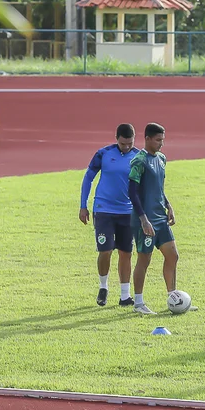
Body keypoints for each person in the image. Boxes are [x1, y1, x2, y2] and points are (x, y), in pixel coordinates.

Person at [80, 123, 138, 306]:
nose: (126, 147)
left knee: (126, 253)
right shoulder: (103, 154)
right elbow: (89, 177)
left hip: (127, 212)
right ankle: (103, 286)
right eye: (123, 144)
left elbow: (147, 185)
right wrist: (83, 205)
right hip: (103, 209)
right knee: (105, 251)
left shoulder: (138, 157)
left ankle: (124, 296)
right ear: (116, 139)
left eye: (129, 143)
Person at [128, 123, 181, 315]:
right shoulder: (139, 161)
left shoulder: (161, 159)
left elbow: (158, 188)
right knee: (144, 259)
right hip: (146, 220)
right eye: (158, 140)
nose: (161, 144)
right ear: (147, 139)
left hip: (160, 217)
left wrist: (168, 205)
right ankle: (138, 303)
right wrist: (143, 218)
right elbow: (132, 192)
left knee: (173, 255)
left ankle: (174, 298)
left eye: (163, 140)